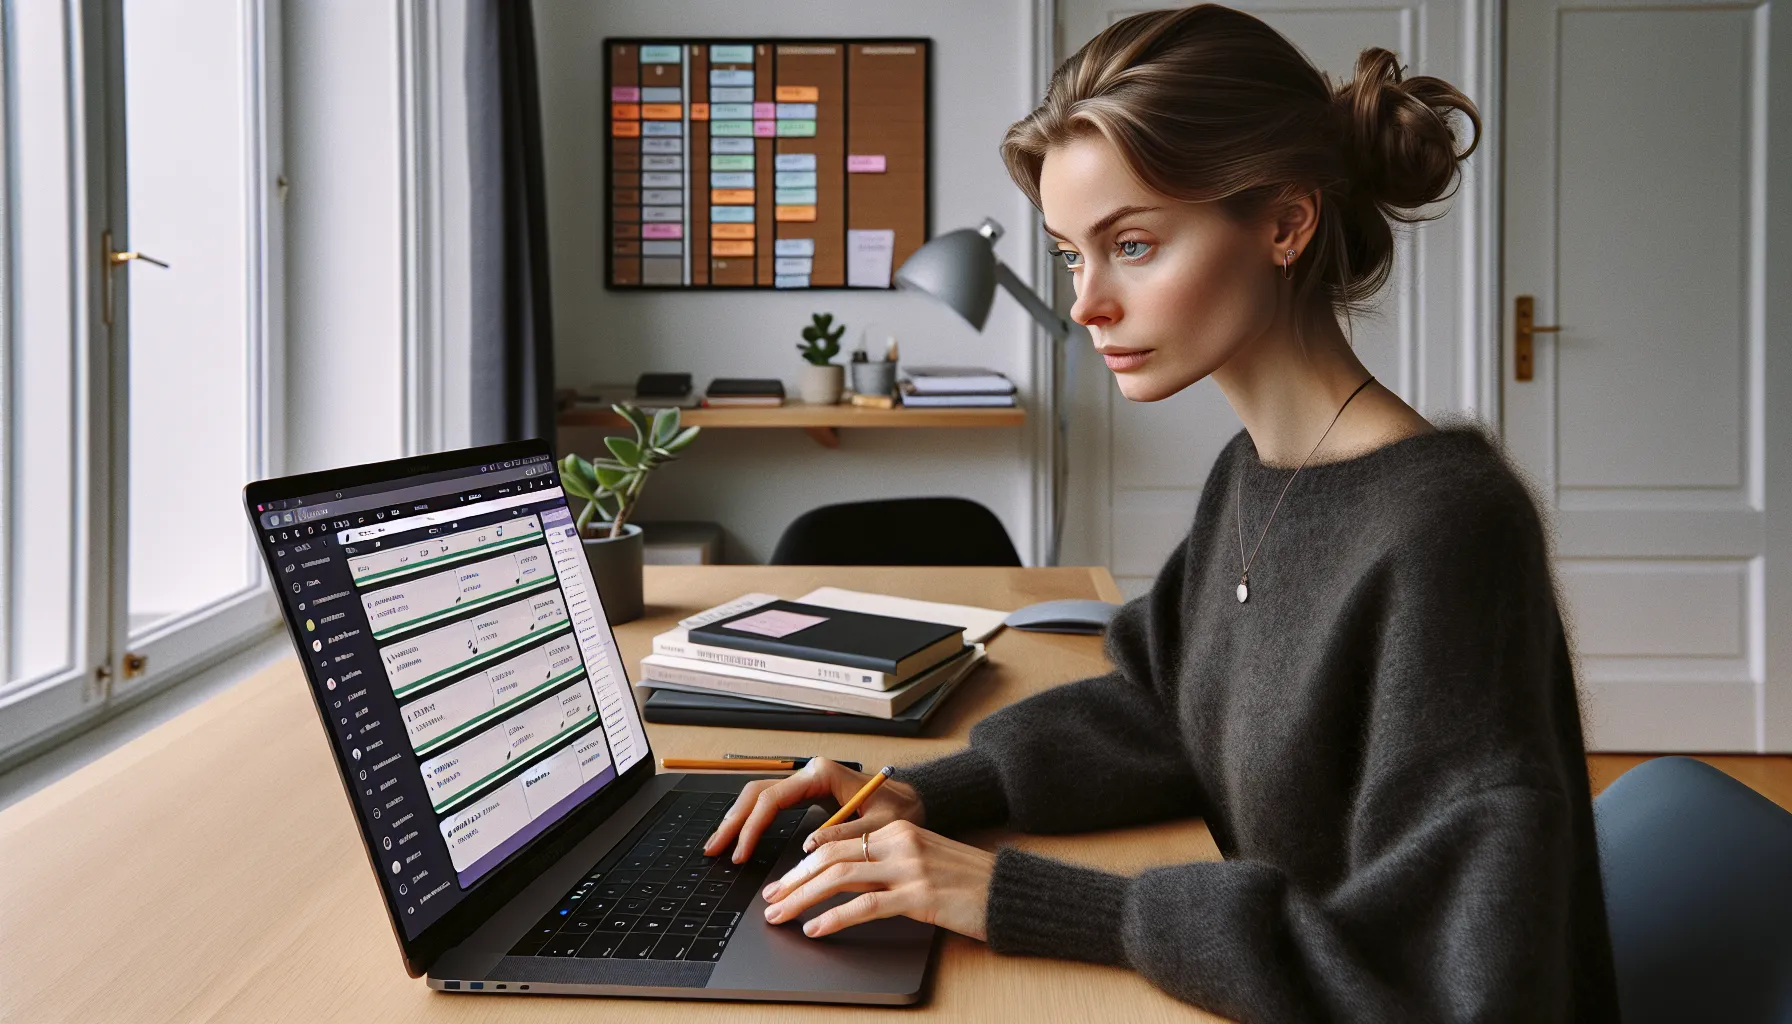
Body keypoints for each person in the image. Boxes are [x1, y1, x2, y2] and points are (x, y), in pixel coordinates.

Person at [704, 6, 1619, 1020]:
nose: (1087, 301)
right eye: (1071, 253)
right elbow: (1170, 707)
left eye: (1132, 244)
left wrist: (1022, 899)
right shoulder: (1255, 472)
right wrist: (926, 790)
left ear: (1284, 223)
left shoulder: (1447, 527)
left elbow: (1444, 976)